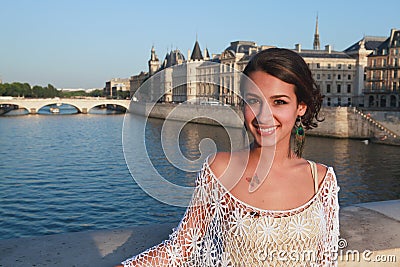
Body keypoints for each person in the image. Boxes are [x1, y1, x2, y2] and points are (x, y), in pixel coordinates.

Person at [120, 48, 340, 266]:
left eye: (279, 102)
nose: (263, 116)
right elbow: (180, 248)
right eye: (254, 101)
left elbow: (326, 260)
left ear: (301, 107)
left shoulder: (321, 180)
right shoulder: (219, 169)